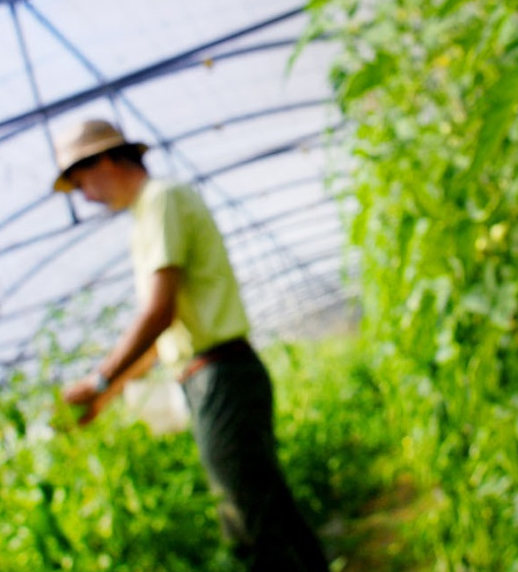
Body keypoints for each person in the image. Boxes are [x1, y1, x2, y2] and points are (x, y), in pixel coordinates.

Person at [52, 118, 330, 572]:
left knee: (250, 525)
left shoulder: (160, 200)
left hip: (220, 375)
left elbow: (158, 312)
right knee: (269, 509)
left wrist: (99, 378)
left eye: (81, 182)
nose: (84, 196)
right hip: (217, 376)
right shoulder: (147, 215)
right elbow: (162, 331)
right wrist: (106, 393)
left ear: (105, 161)